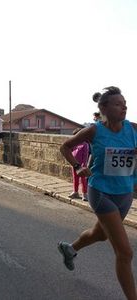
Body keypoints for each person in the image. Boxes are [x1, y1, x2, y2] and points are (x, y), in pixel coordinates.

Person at [58, 86, 137, 300]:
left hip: (125, 193)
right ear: (103, 107)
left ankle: (70, 248)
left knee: (100, 235)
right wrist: (77, 166)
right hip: (101, 192)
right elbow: (65, 146)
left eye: (125, 103)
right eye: (118, 104)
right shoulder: (94, 131)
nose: (124, 107)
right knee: (125, 252)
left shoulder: (133, 129)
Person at [68, 127, 89, 201]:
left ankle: (84, 193)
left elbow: (85, 155)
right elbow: (70, 151)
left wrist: (84, 165)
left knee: (83, 180)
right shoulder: (74, 144)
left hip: (81, 165)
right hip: (74, 164)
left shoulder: (85, 144)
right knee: (75, 179)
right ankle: (75, 192)